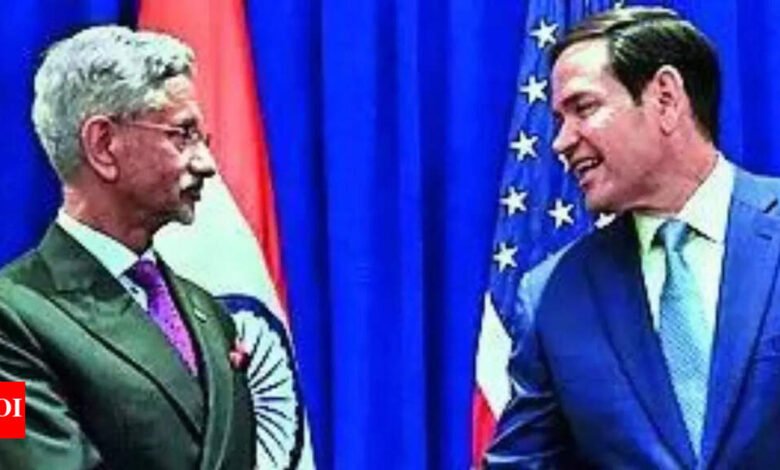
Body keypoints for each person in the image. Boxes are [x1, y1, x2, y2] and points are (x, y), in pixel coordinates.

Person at [485, 6, 780, 469]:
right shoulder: (552, 295)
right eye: (559, 119)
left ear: (665, 98)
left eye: (583, 108)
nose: (560, 142)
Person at [0, 26, 254, 469]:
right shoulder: (12, 317)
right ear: (103, 145)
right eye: (183, 134)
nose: (206, 164)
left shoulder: (209, 314)